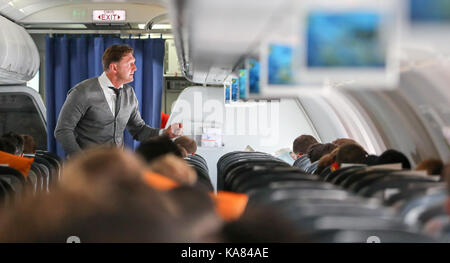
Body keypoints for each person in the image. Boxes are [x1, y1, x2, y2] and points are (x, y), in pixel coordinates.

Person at [54, 44, 182, 156]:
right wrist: (81, 159)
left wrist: (165, 133)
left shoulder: (129, 93)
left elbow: (139, 130)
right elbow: (63, 130)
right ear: (114, 68)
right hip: (87, 171)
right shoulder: (83, 92)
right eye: (130, 64)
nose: (135, 68)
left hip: (115, 167)